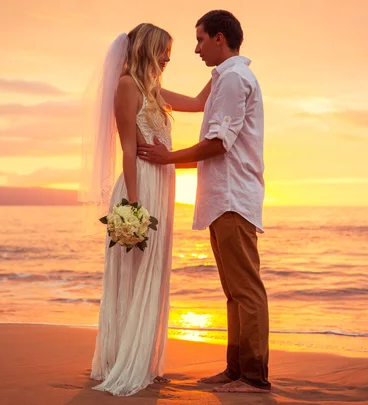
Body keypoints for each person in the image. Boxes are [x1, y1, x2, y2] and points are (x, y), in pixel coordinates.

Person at [138, 10, 270, 394]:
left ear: (219, 38)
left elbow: (217, 143)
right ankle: (235, 369)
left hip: (232, 196)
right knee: (233, 290)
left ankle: (254, 376)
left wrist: (166, 157)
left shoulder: (233, 78)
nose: (195, 49)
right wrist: (144, 87)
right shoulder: (224, 77)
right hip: (222, 196)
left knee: (245, 288)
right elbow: (204, 122)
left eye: (199, 39)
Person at [79, 23, 210, 396]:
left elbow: (199, 104)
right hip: (141, 187)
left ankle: (142, 360)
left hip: (161, 185)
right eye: (164, 49)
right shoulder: (126, 87)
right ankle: (124, 359)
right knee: (136, 273)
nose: (169, 57)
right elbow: (127, 149)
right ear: (147, 48)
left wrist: (227, 67)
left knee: (153, 272)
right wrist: (134, 205)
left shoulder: (153, 90)